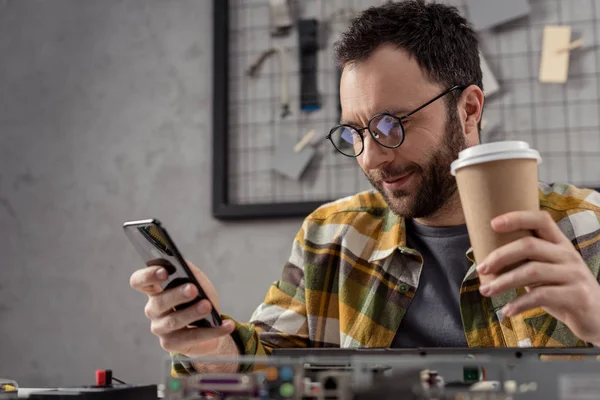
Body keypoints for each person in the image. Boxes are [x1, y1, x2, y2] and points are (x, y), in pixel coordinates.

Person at [129, 1, 600, 374]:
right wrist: (210, 340)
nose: (371, 157)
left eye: (391, 124)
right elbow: (265, 376)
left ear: (470, 109)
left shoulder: (586, 227)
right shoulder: (330, 236)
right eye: (354, 133)